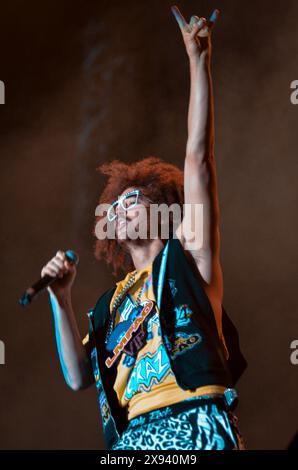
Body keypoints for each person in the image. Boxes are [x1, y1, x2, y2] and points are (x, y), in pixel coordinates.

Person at [41, 5, 247, 450]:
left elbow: (198, 160)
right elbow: (78, 377)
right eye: (114, 208)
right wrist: (61, 299)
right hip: (132, 439)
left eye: (131, 201)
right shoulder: (110, 305)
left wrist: (198, 61)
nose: (118, 210)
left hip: (195, 420)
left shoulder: (189, 260)